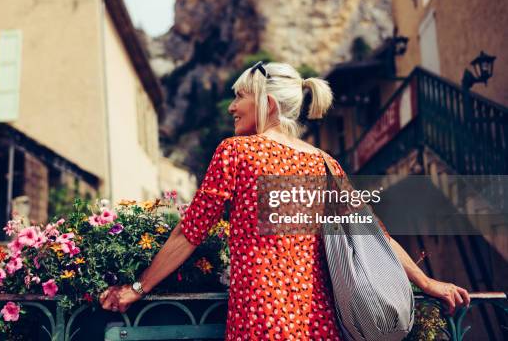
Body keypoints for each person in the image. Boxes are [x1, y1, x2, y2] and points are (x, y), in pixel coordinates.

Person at [100, 62, 470, 339]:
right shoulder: (325, 164)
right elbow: (377, 239)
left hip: (261, 320)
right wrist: (427, 282)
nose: (232, 106)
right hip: (321, 325)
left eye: (240, 96)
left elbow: (190, 232)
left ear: (268, 103)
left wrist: (137, 289)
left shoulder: (236, 153)